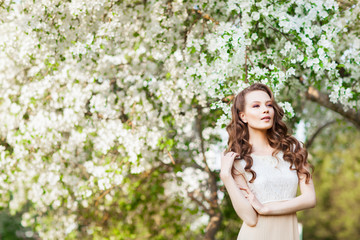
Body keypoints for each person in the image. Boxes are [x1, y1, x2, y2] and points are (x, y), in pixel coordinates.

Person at [220, 83, 316, 240]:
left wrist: (267, 209)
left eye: (269, 105)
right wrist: (225, 176)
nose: (265, 109)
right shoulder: (238, 160)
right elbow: (250, 218)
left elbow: (310, 199)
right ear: (243, 116)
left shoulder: (293, 148)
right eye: (256, 106)